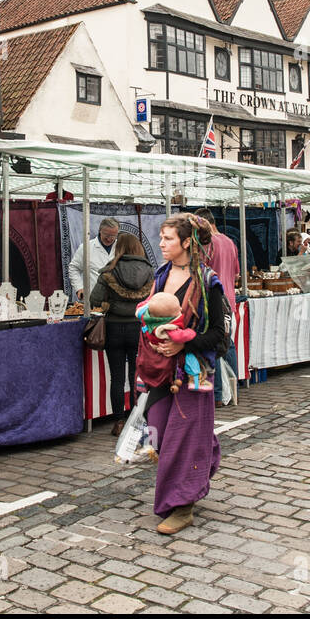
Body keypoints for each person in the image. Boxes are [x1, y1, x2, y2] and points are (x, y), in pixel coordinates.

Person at [135, 213, 228, 535]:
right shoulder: (160, 276)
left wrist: (183, 346)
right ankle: (205, 453)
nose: (161, 243)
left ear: (187, 242)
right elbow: (149, 318)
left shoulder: (208, 282)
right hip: (159, 371)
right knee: (157, 432)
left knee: (180, 440)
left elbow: (219, 334)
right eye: (161, 237)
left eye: (168, 238)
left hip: (193, 373)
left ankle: (182, 505)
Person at [88, 233, 154, 435]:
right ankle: (138, 419)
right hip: (138, 328)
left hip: (114, 327)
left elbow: (95, 299)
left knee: (116, 377)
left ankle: (118, 422)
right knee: (138, 376)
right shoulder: (149, 271)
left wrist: (110, 303)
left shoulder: (109, 270)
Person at [193, 209, 239, 408]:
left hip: (214, 301)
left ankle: (219, 395)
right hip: (230, 299)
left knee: (215, 347)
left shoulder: (207, 244)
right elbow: (236, 274)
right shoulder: (229, 242)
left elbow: (201, 273)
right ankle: (234, 386)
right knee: (228, 345)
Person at [69, 217, 120, 301]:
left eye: (113, 236)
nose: (109, 239)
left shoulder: (121, 248)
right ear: (100, 231)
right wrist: (79, 288)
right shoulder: (86, 247)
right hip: (93, 299)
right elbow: (74, 268)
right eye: (106, 235)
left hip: (117, 300)